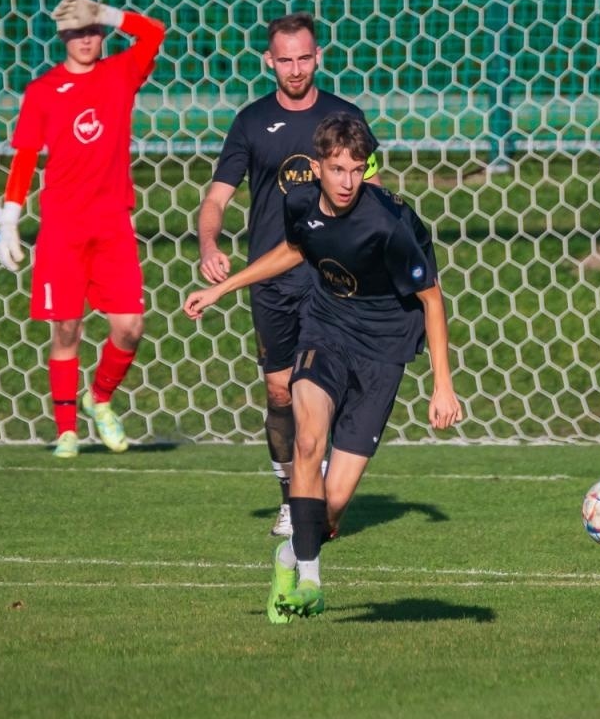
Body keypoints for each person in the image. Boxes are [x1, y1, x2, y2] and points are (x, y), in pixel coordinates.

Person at [185, 112, 462, 621]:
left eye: (357, 170)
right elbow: (294, 249)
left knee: (331, 510)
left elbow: (432, 300)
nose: (347, 182)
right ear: (317, 167)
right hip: (326, 329)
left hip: (383, 351)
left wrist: (442, 387)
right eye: (337, 170)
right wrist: (222, 288)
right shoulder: (299, 202)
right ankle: (309, 583)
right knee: (308, 440)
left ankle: (290, 556)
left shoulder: (391, 224)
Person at [196, 12, 380, 536]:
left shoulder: (345, 116)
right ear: (268, 62)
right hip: (272, 279)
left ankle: (318, 483)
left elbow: (375, 194)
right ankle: (291, 495)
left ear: (318, 56)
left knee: (321, 385)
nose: (295, 69)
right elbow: (217, 198)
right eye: (285, 60)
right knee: (280, 392)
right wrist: (210, 244)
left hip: (331, 277)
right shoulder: (252, 122)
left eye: (304, 57)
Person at [0, 0, 167, 459]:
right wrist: (9, 218)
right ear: (61, 35)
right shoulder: (43, 91)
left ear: (102, 33)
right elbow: (26, 155)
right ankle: (67, 429)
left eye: (93, 29)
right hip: (62, 229)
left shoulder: (120, 74)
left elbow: (154, 33)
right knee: (66, 328)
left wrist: (109, 12)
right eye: (76, 30)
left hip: (112, 225)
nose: (86, 38)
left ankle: (100, 398)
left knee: (130, 327)